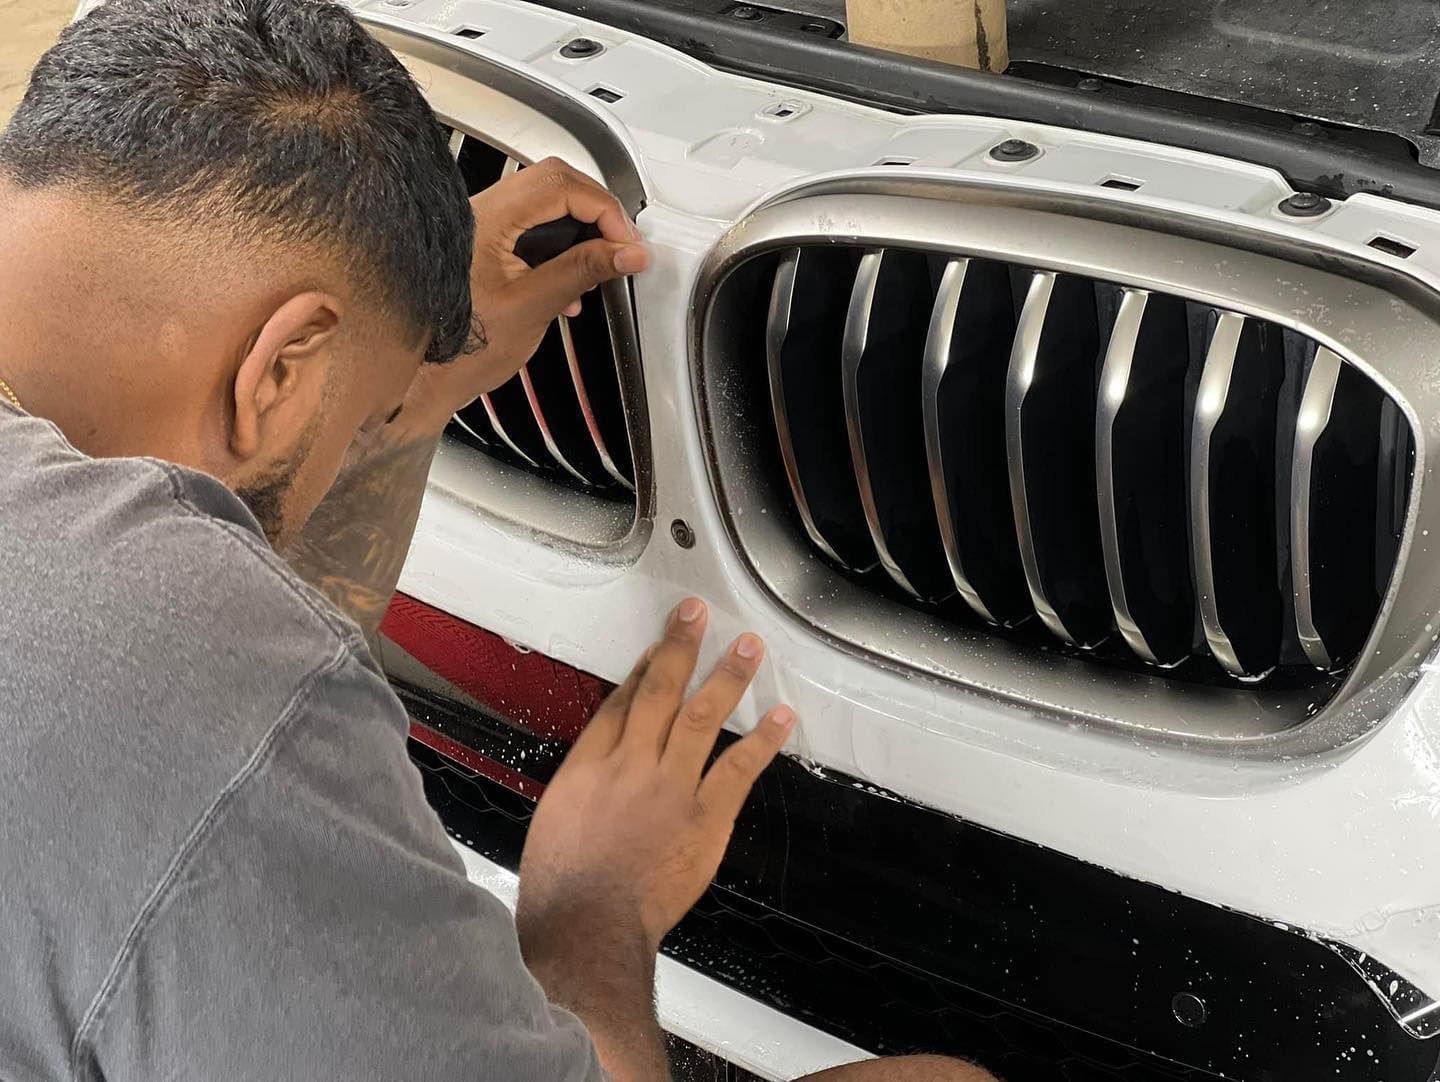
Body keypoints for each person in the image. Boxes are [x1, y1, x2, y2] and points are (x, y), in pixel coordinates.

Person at [0, 1, 996, 1080]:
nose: (363, 442)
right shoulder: (178, 676)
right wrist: (587, 912)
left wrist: (403, 384)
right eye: (361, 418)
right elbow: (209, 694)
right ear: (280, 369)